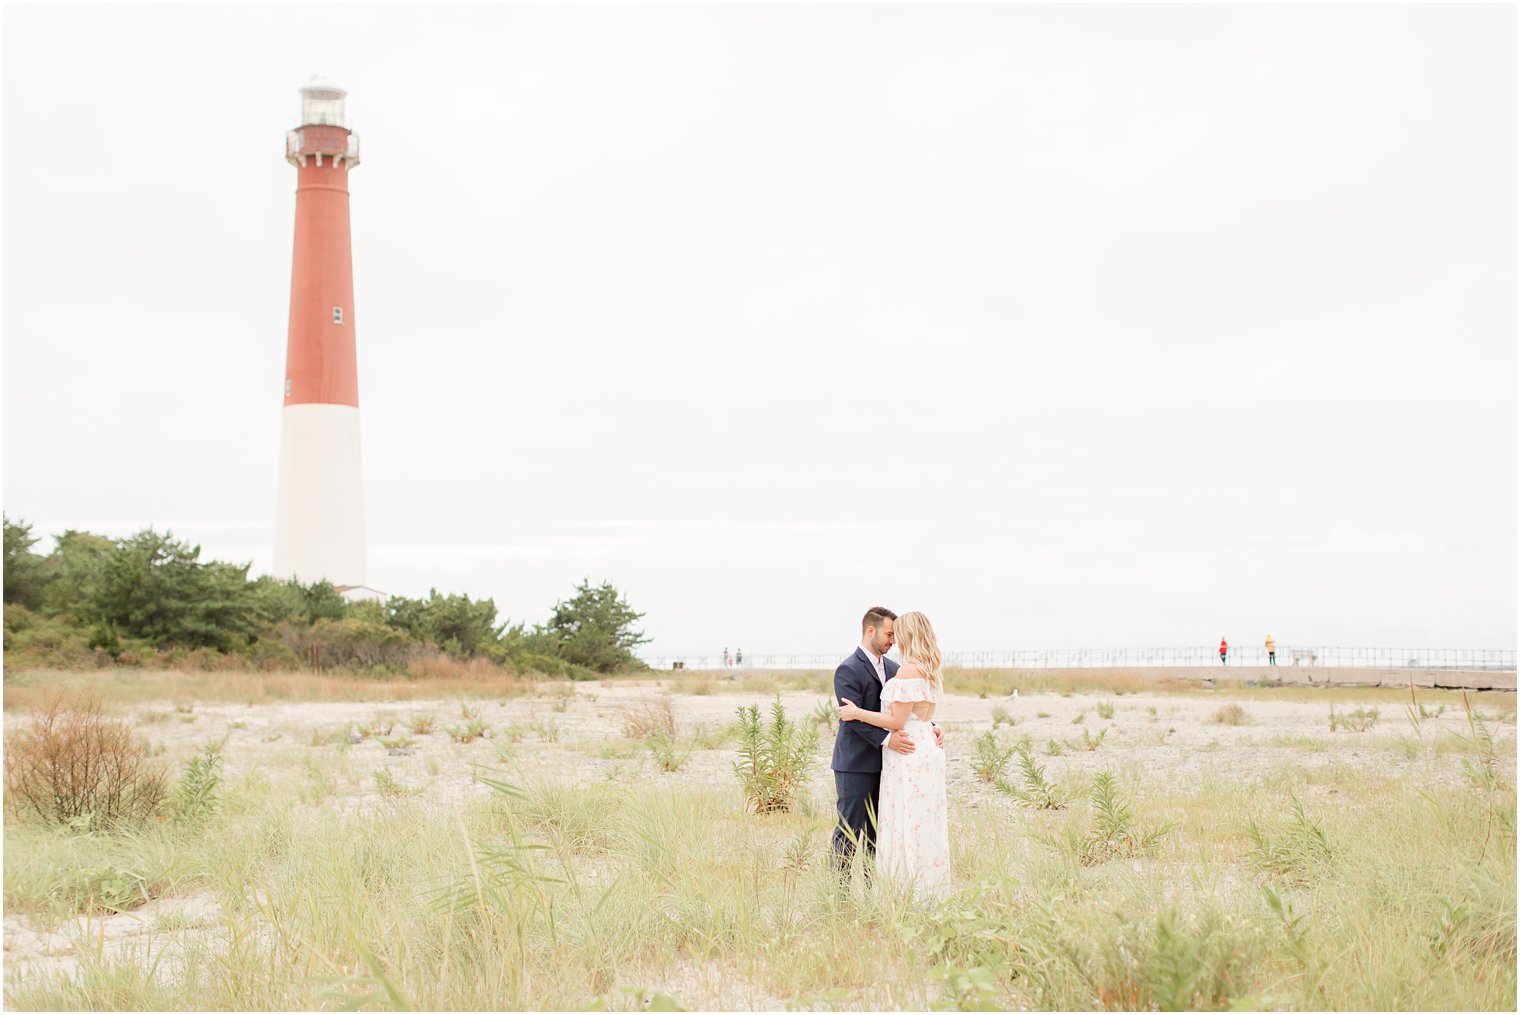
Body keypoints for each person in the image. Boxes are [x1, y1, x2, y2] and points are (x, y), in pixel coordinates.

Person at [828, 607, 945, 886]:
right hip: (856, 763)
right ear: (871, 630)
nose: (893, 640)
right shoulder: (848, 669)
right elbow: (852, 719)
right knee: (849, 829)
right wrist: (886, 738)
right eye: (889, 634)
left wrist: (929, 727)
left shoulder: (896, 669)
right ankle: (838, 891)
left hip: (892, 763)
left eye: (896, 634)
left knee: (880, 833)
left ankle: (875, 889)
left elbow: (907, 712)